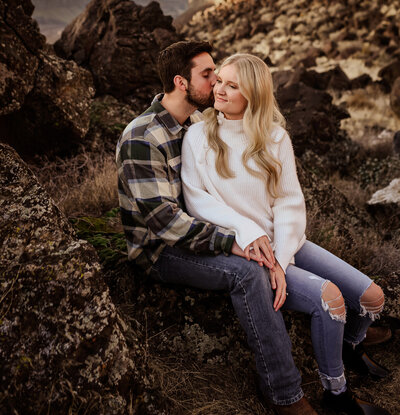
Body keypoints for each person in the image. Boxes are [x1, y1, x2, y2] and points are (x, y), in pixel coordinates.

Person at [180, 52, 392, 415]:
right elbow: (199, 202)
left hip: (285, 244)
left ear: (254, 96)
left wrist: (281, 258)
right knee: (330, 299)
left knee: (373, 298)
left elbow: (289, 204)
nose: (220, 89)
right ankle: (336, 394)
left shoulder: (275, 137)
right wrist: (258, 246)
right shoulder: (198, 135)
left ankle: (349, 344)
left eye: (234, 86)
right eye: (220, 81)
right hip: (248, 250)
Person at [116, 40, 317, 415]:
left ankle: (341, 317)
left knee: (271, 249)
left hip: (199, 230)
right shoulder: (143, 137)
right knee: (248, 272)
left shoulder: (194, 122)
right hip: (161, 250)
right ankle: (285, 394)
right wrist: (233, 242)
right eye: (208, 75)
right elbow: (164, 222)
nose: (217, 82)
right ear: (181, 82)